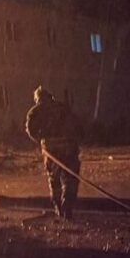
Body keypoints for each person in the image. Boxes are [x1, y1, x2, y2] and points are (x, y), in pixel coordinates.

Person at [24, 86, 84, 218]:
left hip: (52, 150)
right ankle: (68, 203)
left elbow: (30, 130)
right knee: (70, 177)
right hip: (69, 146)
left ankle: (58, 206)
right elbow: (77, 123)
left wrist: (42, 140)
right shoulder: (62, 107)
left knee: (54, 179)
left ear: (37, 98)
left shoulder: (34, 112)